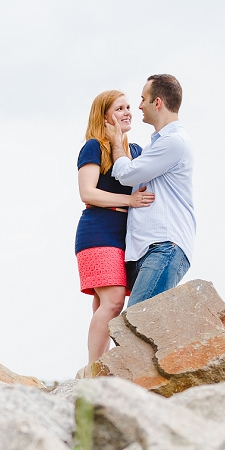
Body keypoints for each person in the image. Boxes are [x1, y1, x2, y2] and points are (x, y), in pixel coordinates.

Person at [74, 90, 154, 378]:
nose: (128, 112)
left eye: (129, 106)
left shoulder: (137, 153)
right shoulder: (94, 147)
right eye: (119, 108)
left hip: (126, 237)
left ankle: (100, 367)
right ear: (104, 116)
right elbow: (88, 192)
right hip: (98, 232)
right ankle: (93, 371)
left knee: (103, 303)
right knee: (113, 302)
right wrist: (130, 201)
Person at [104, 74, 195, 307]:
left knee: (136, 323)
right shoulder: (154, 146)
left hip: (164, 245)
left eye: (143, 99)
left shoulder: (174, 142)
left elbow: (127, 175)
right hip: (146, 249)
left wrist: (117, 140)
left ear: (158, 103)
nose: (139, 105)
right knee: (142, 327)